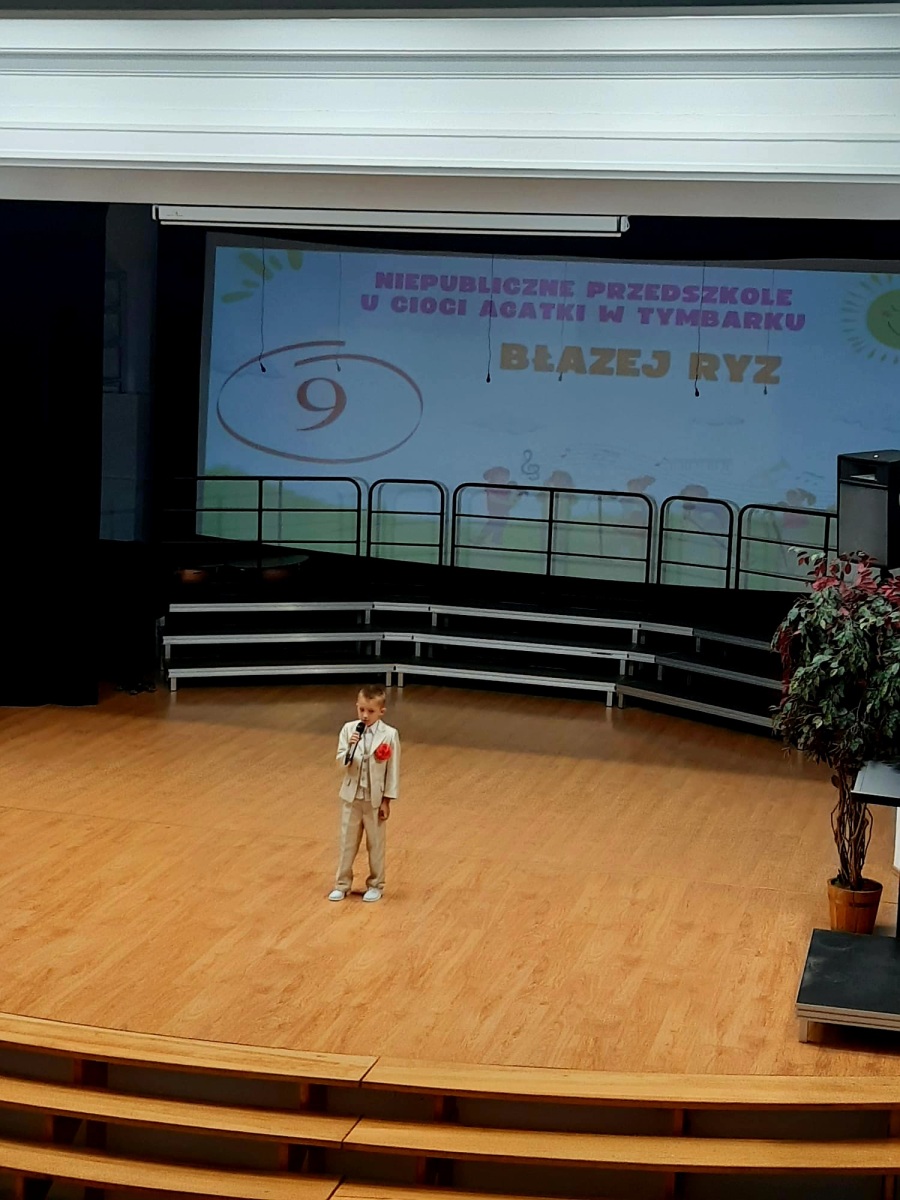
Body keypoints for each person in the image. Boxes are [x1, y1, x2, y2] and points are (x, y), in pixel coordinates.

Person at [328, 684, 400, 903]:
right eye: (361, 710)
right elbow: (340, 764)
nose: (365, 715)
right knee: (347, 842)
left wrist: (387, 800)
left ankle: (376, 884)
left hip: (374, 799)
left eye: (370, 711)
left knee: (375, 844)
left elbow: (392, 770)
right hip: (352, 797)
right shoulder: (349, 730)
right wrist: (351, 748)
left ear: (381, 711)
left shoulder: (389, 735)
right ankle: (342, 884)